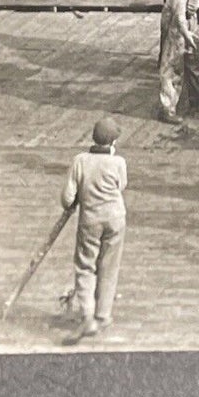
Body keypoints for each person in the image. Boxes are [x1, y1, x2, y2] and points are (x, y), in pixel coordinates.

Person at [61, 117, 128, 342]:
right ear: (112, 143)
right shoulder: (119, 162)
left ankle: (87, 314)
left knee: (85, 266)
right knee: (110, 265)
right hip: (116, 218)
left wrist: (78, 198)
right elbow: (122, 186)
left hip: (90, 220)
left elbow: (67, 198)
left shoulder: (80, 160)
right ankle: (103, 314)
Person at [157, 0, 199, 125]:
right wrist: (185, 32)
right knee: (172, 64)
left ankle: (196, 102)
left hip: (190, 16)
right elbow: (178, 6)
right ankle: (167, 108)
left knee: (194, 60)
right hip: (177, 20)